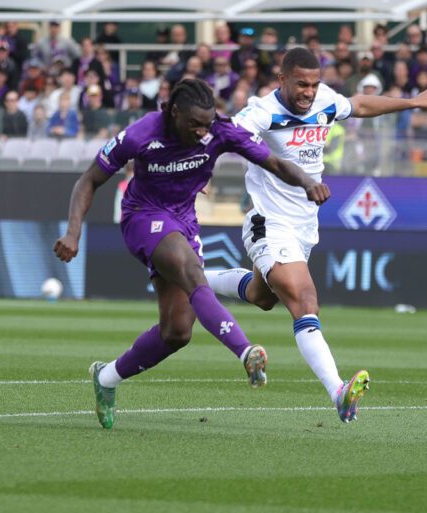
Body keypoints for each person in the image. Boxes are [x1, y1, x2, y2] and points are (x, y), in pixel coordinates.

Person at [53, 78, 329, 430]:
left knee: (177, 332)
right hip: (144, 217)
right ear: (172, 111)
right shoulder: (140, 134)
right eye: (194, 124)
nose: (202, 132)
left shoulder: (220, 131)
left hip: (184, 221)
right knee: (192, 273)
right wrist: (73, 232)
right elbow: (88, 180)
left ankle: (106, 378)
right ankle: (246, 352)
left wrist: (307, 182)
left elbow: (274, 162)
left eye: (206, 123)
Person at [203, 48, 427, 423]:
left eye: (314, 84)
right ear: (282, 80)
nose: (309, 92)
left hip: (303, 226)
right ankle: (338, 391)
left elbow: (360, 105)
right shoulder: (262, 112)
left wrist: (413, 102)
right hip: (269, 221)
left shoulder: (325, 101)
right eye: (301, 84)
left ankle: (192, 281)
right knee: (305, 300)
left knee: (261, 297)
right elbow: (223, 137)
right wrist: (196, 176)